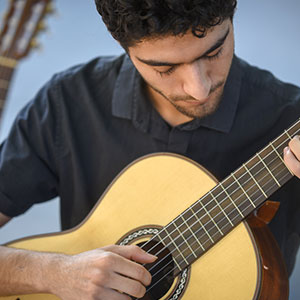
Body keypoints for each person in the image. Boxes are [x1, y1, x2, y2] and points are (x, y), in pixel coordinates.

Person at [0, 0, 300, 299]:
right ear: (126, 49)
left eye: (214, 52)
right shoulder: (68, 102)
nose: (198, 88)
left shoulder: (288, 118)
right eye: (165, 68)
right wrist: (54, 273)